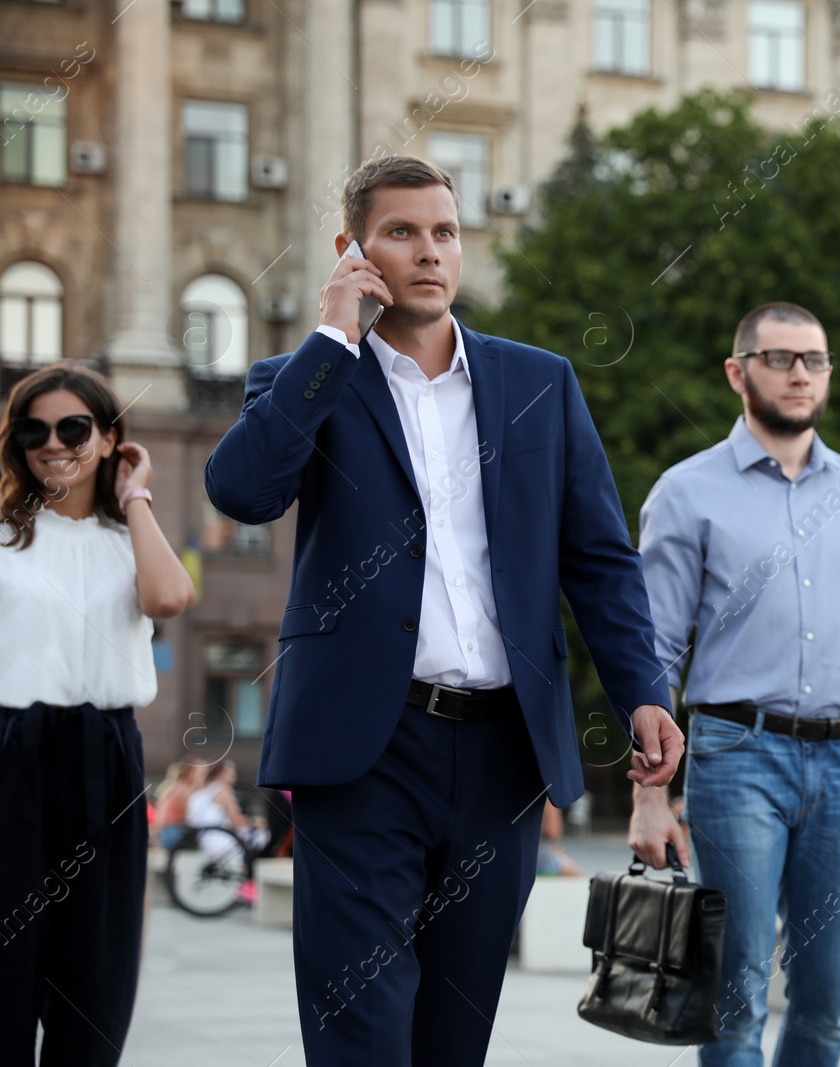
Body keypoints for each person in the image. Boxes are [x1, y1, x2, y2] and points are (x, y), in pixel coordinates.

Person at [204, 154, 680, 1067]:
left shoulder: (539, 382)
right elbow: (241, 490)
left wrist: (643, 693)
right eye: (402, 232)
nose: (429, 252)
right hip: (363, 751)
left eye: (445, 232)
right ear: (353, 249)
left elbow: (601, 561)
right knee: (362, 1030)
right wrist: (332, 340)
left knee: (454, 1037)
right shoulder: (304, 377)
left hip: (502, 755)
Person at [629, 301, 840, 1067]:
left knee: (826, 996)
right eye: (780, 358)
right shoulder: (687, 491)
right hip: (736, 753)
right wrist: (649, 792)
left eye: (814, 358)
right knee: (738, 988)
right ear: (737, 372)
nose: (801, 373)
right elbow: (652, 650)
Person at [0, 364, 196, 1064]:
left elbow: (172, 597)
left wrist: (135, 494)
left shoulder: (130, 543)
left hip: (105, 757)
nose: (54, 444)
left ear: (109, 438)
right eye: (34, 430)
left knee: (96, 978)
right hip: (12, 756)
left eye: (74, 428)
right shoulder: (4, 537)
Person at [152, 757, 206, 850]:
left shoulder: (175, 786)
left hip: (165, 833)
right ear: (190, 773)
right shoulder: (184, 790)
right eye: (201, 774)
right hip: (173, 833)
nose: (204, 778)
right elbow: (188, 818)